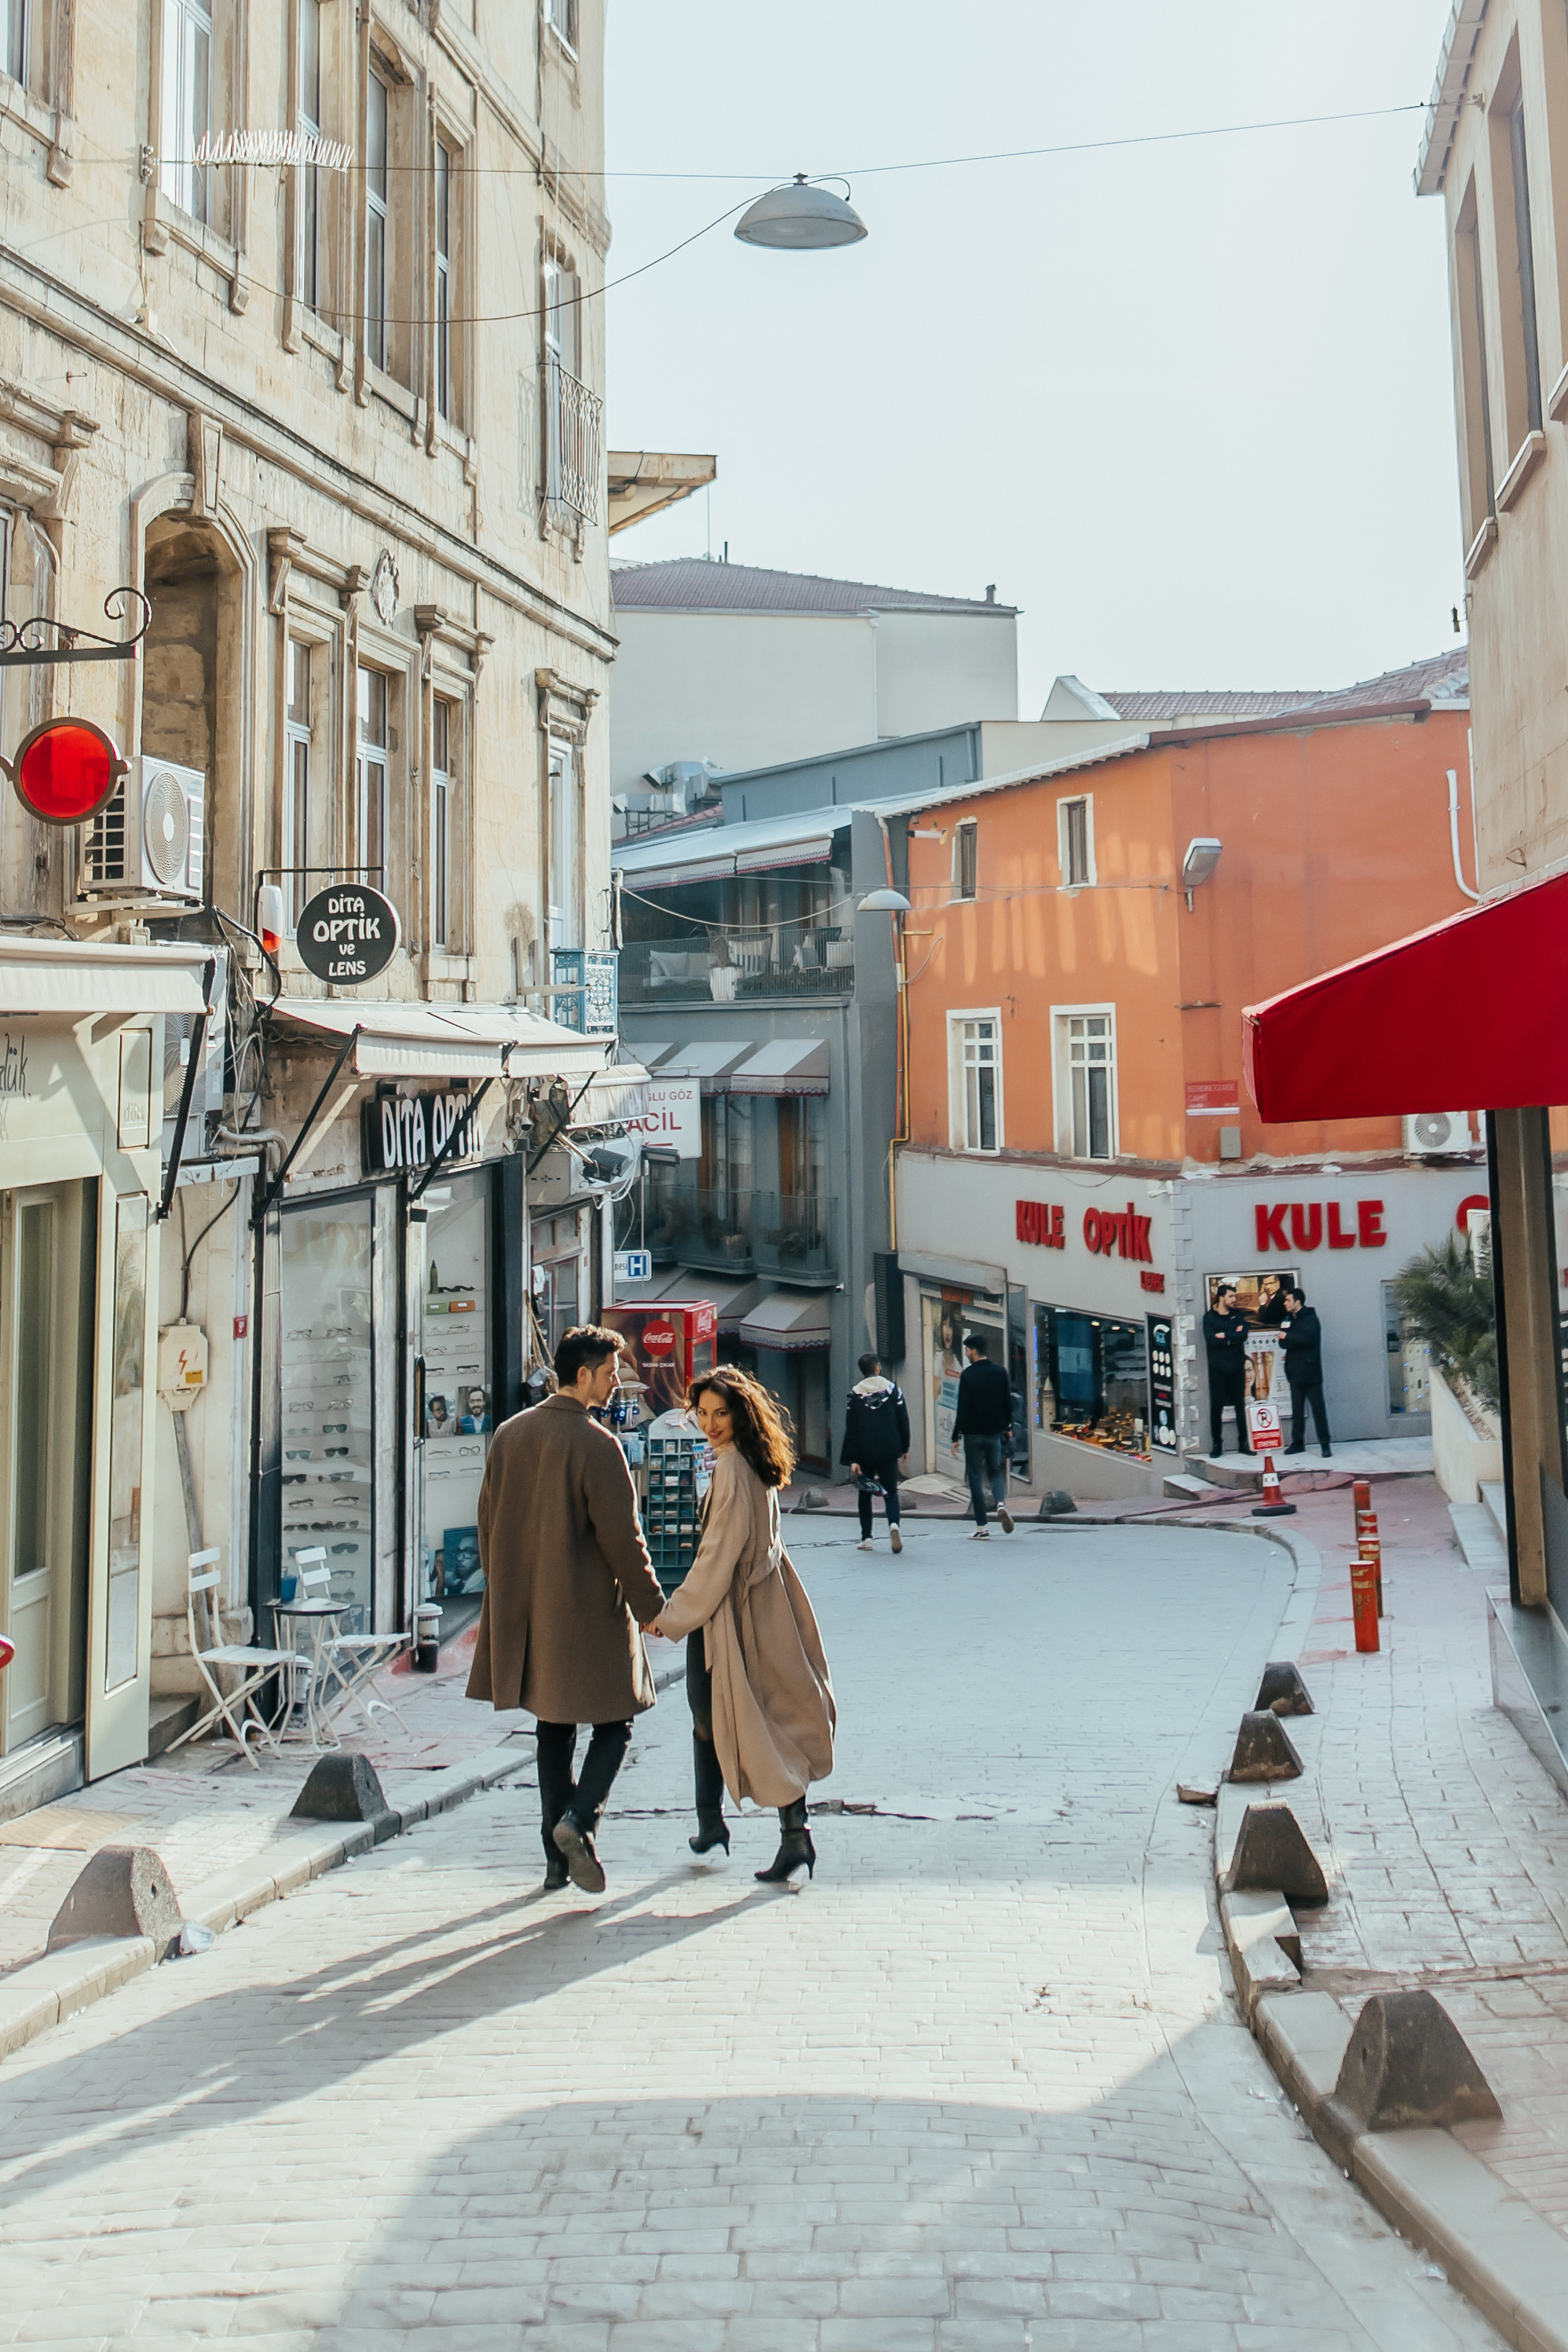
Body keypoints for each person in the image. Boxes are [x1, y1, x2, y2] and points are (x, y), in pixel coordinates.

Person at [466, 1322, 666, 1895]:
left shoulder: (508, 1434)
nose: (614, 1384)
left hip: (528, 1609)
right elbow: (623, 1540)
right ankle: (578, 1820)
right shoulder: (597, 1446)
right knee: (616, 1720)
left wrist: (506, 1585)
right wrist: (650, 1607)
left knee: (551, 1727)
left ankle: (555, 1860)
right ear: (582, 1374)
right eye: (608, 1374)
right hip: (588, 1613)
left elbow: (487, 1520)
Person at [648, 1366, 835, 1884]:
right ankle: (744, 1828)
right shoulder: (750, 1459)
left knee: (733, 1717)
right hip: (759, 1604)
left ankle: (747, 1828)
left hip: (730, 1613)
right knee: (746, 1714)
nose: (709, 1423)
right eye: (703, 1413)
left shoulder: (730, 1468)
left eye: (719, 1412)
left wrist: (673, 1616)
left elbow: (717, 1554)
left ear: (739, 1413)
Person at [839, 1352, 911, 1553]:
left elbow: (851, 1427)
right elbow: (902, 1420)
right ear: (877, 1367)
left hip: (864, 1450)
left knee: (865, 1493)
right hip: (889, 1448)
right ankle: (894, 1525)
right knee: (891, 1492)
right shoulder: (893, 1390)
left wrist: (852, 1458)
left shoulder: (855, 1395)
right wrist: (904, 1447)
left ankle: (867, 1538)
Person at [949, 1330, 1015, 1538]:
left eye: (968, 1350)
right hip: (994, 1431)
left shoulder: (968, 1375)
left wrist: (955, 1436)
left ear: (975, 1352)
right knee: (995, 1470)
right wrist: (1008, 1426)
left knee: (975, 1476)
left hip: (972, 1433)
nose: (967, 1353)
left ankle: (981, 1527)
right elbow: (1007, 1402)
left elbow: (962, 1407)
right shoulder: (1000, 1372)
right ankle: (1001, 1503)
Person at [1281, 1285, 1332, 1458]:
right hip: (1294, 1373)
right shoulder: (1289, 1319)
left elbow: (1307, 1339)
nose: (1285, 1303)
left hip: (1311, 1374)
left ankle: (1325, 1445)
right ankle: (1297, 1443)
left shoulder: (1310, 1318)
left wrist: (1289, 1338)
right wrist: (1288, 1339)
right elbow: (1282, 1342)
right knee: (1297, 1412)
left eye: (1288, 1300)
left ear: (1297, 1302)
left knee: (1318, 1411)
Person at [1203, 1282, 1252, 1459]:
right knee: (1217, 1407)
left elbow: (1244, 1334)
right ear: (1221, 1297)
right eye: (1231, 1296)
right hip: (1218, 1369)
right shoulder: (1209, 1318)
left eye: (1235, 1296)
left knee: (1240, 1405)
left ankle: (1243, 1443)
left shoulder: (1238, 1315)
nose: (1234, 1300)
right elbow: (1211, 1340)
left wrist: (1225, 1336)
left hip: (1237, 1367)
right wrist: (1233, 1336)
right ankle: (1217, 1444)